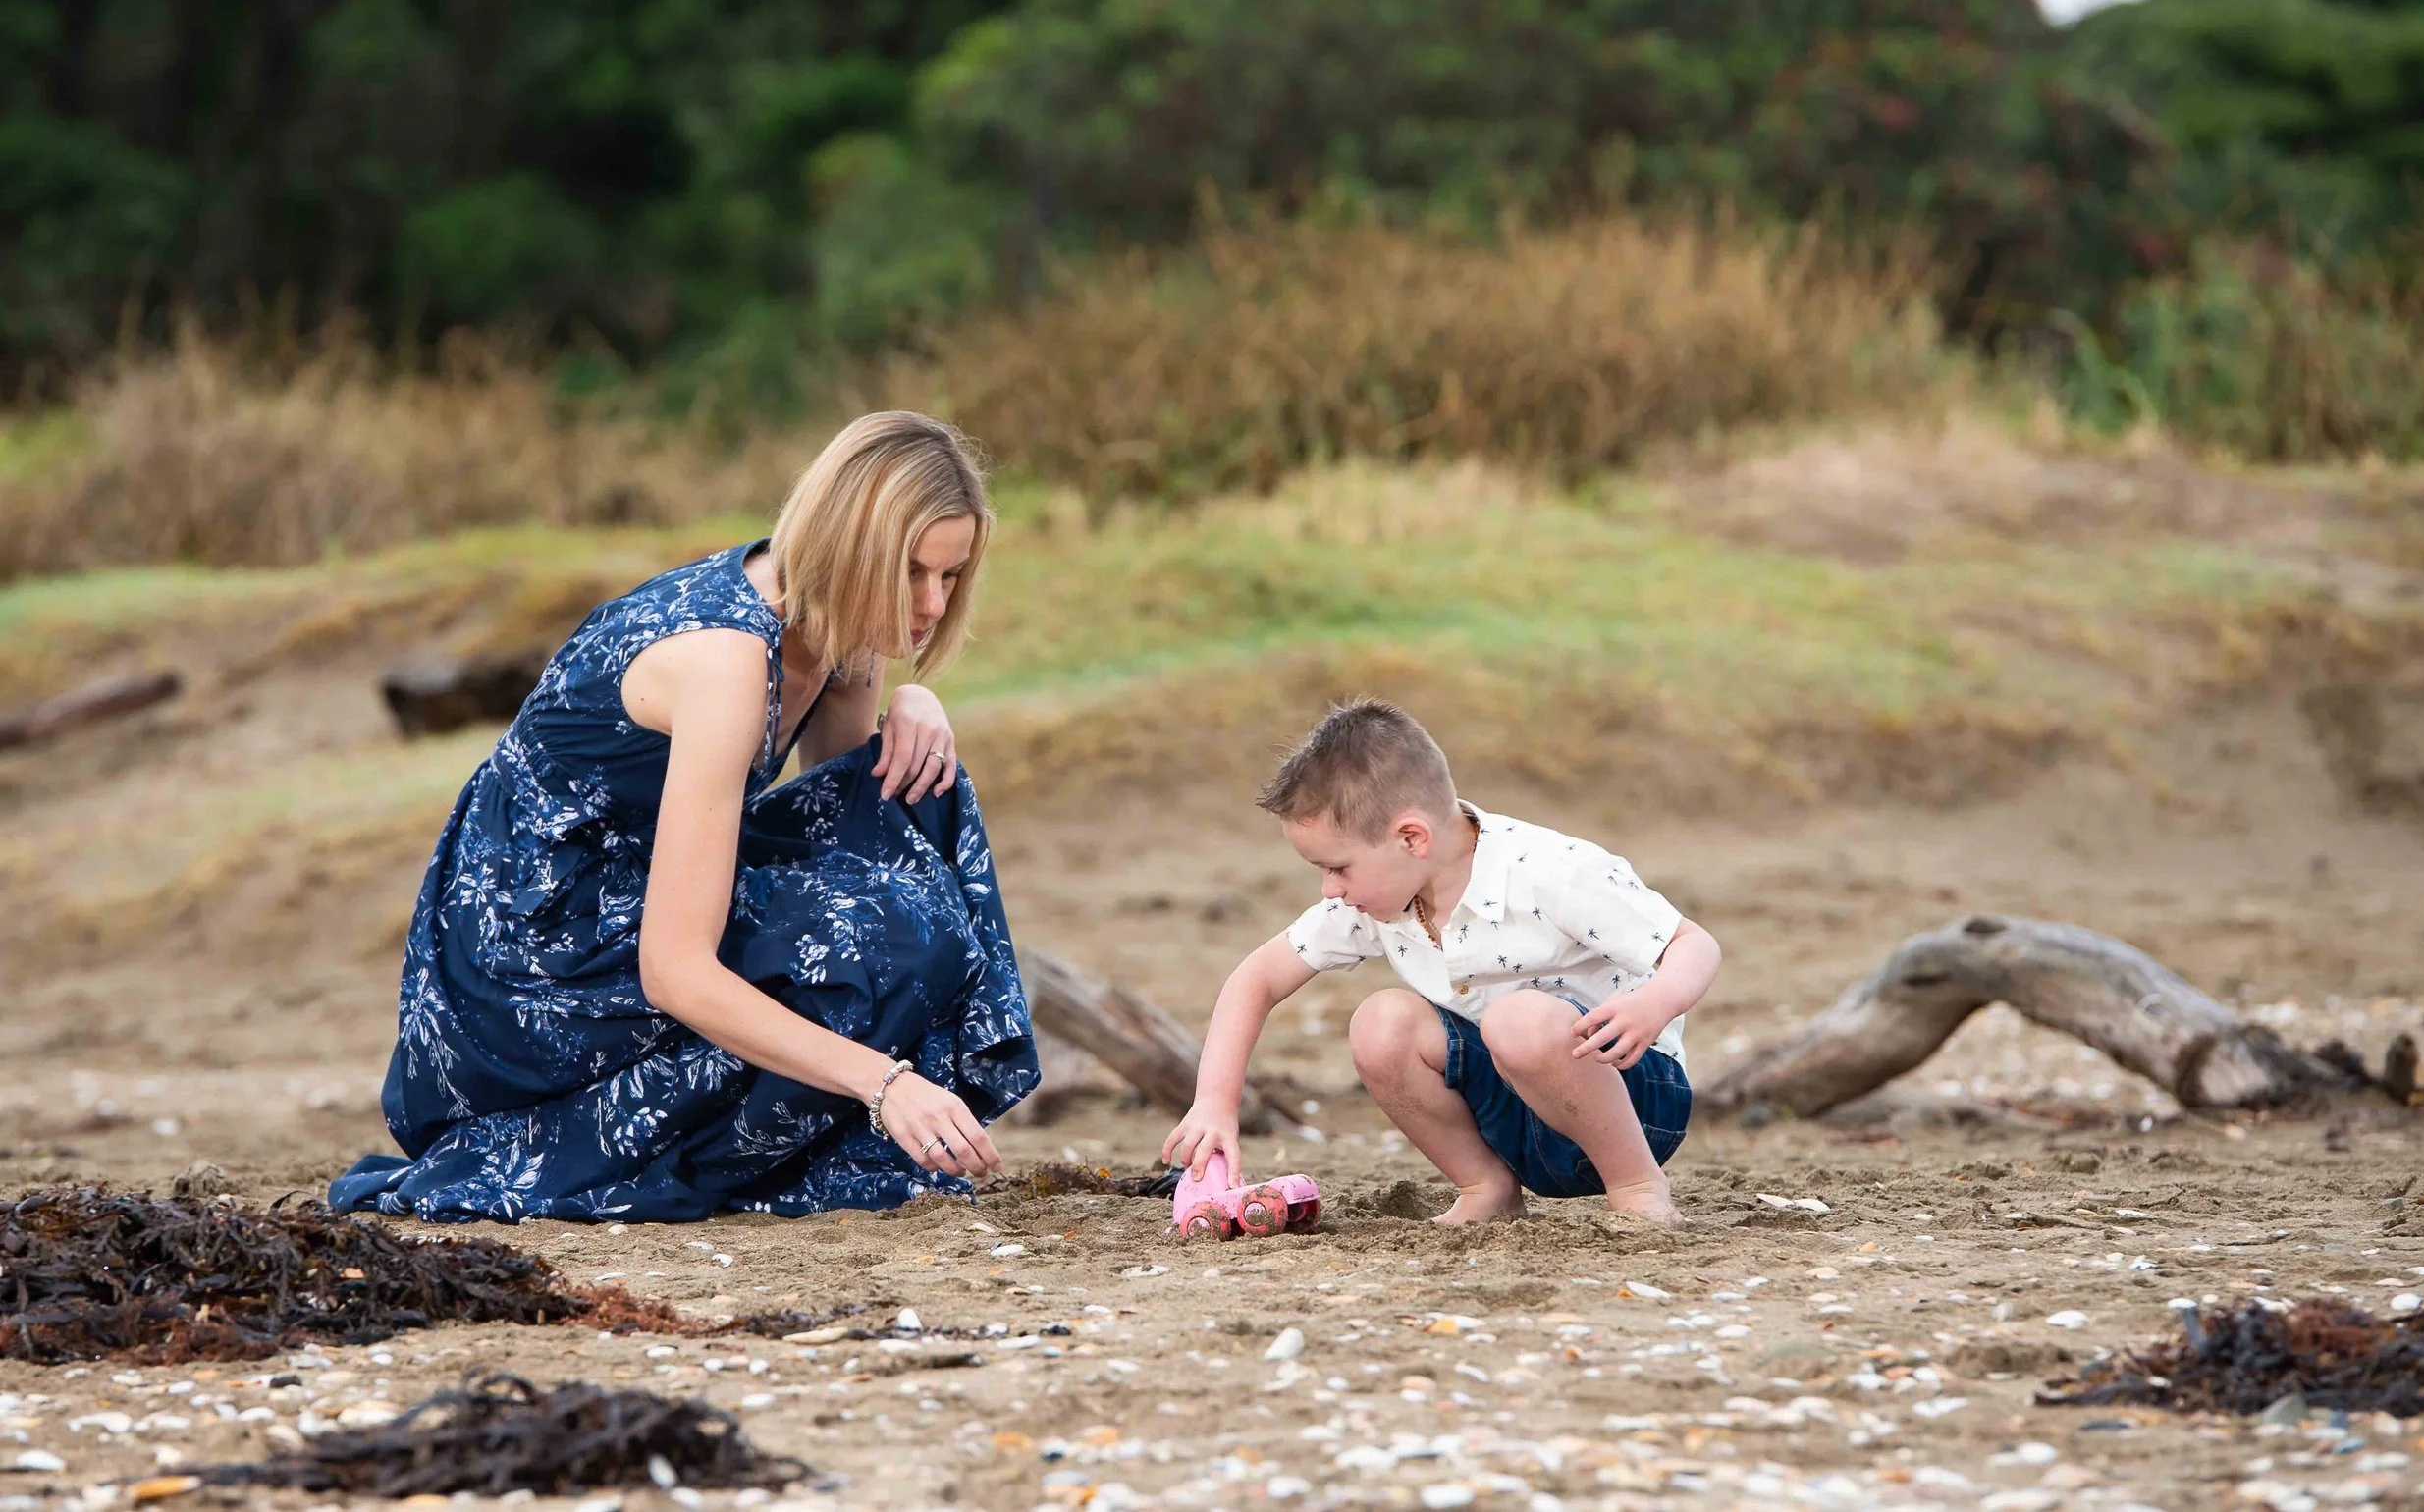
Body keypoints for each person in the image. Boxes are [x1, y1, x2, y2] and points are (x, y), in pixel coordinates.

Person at [331, 411, 1038, 1222]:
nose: (930, 605)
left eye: (949, 578)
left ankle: (860, 1124)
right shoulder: (726, 659)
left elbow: (852, 825)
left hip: (644, 882)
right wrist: (882, 1079)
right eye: (912, 572)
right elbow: (675, 968)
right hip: (532, 943)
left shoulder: (845, 627)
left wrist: (916, 704)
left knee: (924, 797)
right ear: (852, 549)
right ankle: (747, 1140)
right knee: (879, 932)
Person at [1162, 698, 1716, 1225]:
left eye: (1338, 867)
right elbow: (1256, 979)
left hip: (1632, 1098)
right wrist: (1215, 1101)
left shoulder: (1553, 871)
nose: (1330, 890)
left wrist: (1653, 1003)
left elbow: (1693, 944)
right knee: (1382, 1023)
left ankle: (1637, 1187)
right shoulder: (1376, 903)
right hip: (1510, 1115)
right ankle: (1486, 1187)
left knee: (1517, 1019)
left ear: (1411, 837)